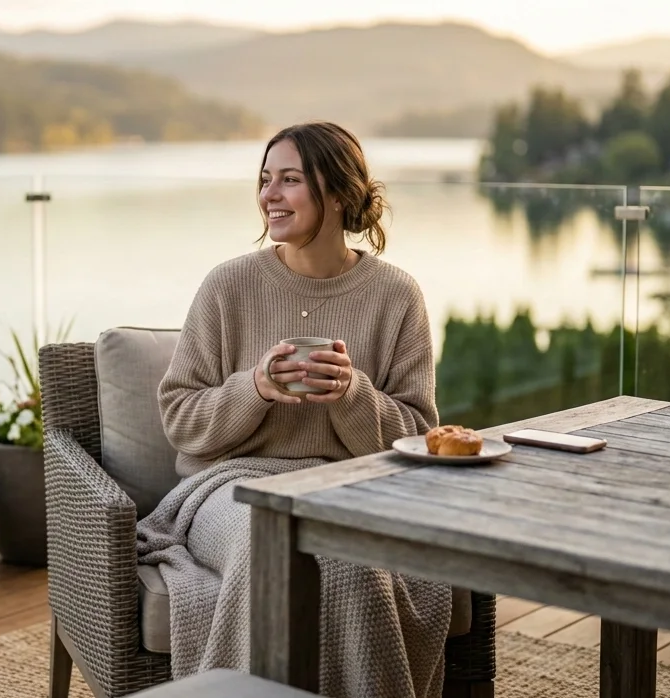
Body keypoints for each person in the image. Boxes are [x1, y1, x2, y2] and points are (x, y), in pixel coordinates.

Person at [136, 122, 452, 698]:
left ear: (337, 192)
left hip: (351, 488)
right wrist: (253, 388)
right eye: (264, 181)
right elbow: (180, 415)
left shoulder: (397, 295)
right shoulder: (228, 285)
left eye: (289, 180)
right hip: (232, 489)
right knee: (271, 552)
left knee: (354, 567)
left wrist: (352, 395)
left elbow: (420, 437)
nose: (269, 196)